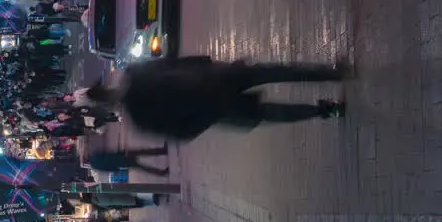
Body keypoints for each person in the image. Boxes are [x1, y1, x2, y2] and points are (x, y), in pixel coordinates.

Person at [87, 56, 349, 141]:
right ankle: (328, 73)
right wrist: (209, 64)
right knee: (274, 72)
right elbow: (176, 61)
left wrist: (206, 118)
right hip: (215, 79)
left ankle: (326, 110)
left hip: (213, 107)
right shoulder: (135, 72)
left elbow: (182, 133)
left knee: (271, 112)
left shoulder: (139, 118)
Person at [88, 147, 170, 177]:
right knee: (142, 152)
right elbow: (107, 153)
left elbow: (107, 169)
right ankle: (162, 151)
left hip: (120, 163)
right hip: (120, 155)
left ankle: (161, 173)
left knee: (142, 167)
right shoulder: (95, 155)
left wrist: (118, 169)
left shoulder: (95, 167)